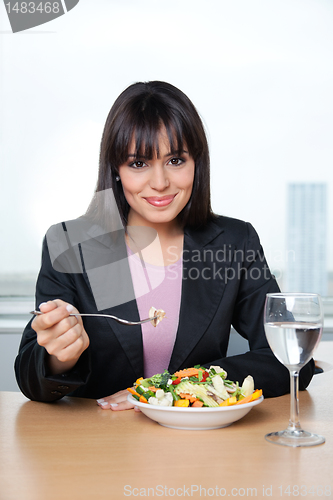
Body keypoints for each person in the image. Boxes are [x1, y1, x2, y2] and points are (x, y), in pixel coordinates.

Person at [15, 81, 314, 408]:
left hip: (198, 447)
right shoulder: (70, 244)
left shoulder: (236, 242)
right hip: (99, 443)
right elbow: (32, 379)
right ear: (116, 169)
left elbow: (290, 362)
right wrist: (60, 357)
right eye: (138, 164)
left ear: (196, 163)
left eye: (175, 161)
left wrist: (173, 387)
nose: (160, 183)